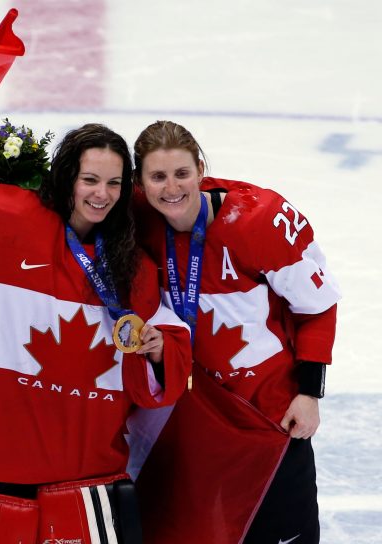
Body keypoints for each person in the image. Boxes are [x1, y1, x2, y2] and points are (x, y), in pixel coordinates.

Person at [0, 123, 192, 542]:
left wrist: (157, 349)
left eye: (114, 183)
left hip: (81, 484)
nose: (102, 194)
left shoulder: (133, 269)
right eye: (90, 180)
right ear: (66, 177)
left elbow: (170, 357)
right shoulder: (3, 217)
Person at [132, 120, 341, 543]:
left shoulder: (258, 222)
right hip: (195, 413)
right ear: (140, 182)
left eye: (181, 174)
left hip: (269, 413)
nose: (171, 188)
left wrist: (309, 392)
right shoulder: (136, 216)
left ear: (201, 169)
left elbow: (318, 306)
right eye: (157, 177)